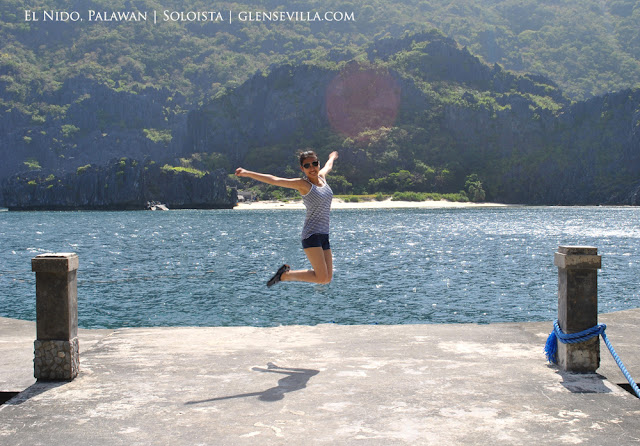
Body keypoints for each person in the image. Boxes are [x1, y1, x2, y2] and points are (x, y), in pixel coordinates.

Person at [235, 150, 339, 287]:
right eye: (307, 166)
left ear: (318, 163)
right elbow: (275, 180)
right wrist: (247, 173)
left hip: (324, 235)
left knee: (326, 279)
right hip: (311, 235)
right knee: (320, 278)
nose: (312, 168)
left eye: (314, 163)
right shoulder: (303, 184)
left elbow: (328, 166)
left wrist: (332, 157)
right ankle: (283, 276)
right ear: (302, 169)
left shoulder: (322, 178)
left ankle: (284, 275)